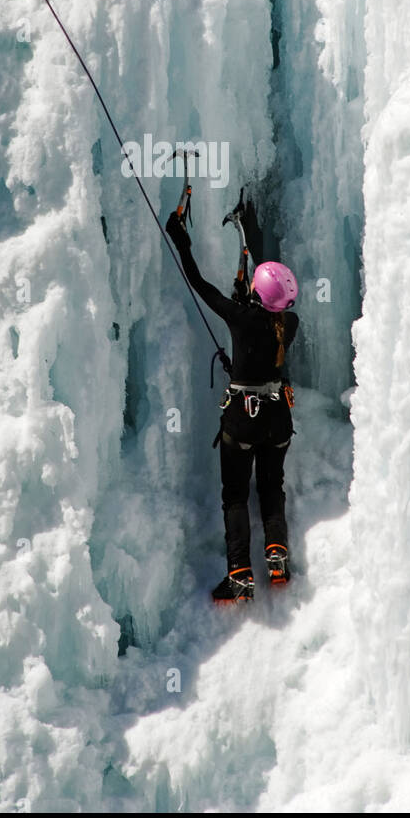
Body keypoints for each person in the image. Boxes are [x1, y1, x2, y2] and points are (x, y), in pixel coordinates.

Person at [165, 209, 299, 603]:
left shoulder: (239, 317)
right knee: (272, 486)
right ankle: (277, 556)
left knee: (236, 496)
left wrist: (181, 240)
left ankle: (239, 573)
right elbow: (268, 310)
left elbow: (199, 284)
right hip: (278, 420)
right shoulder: (288, 324)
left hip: (243, 420)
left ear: (256, 294)